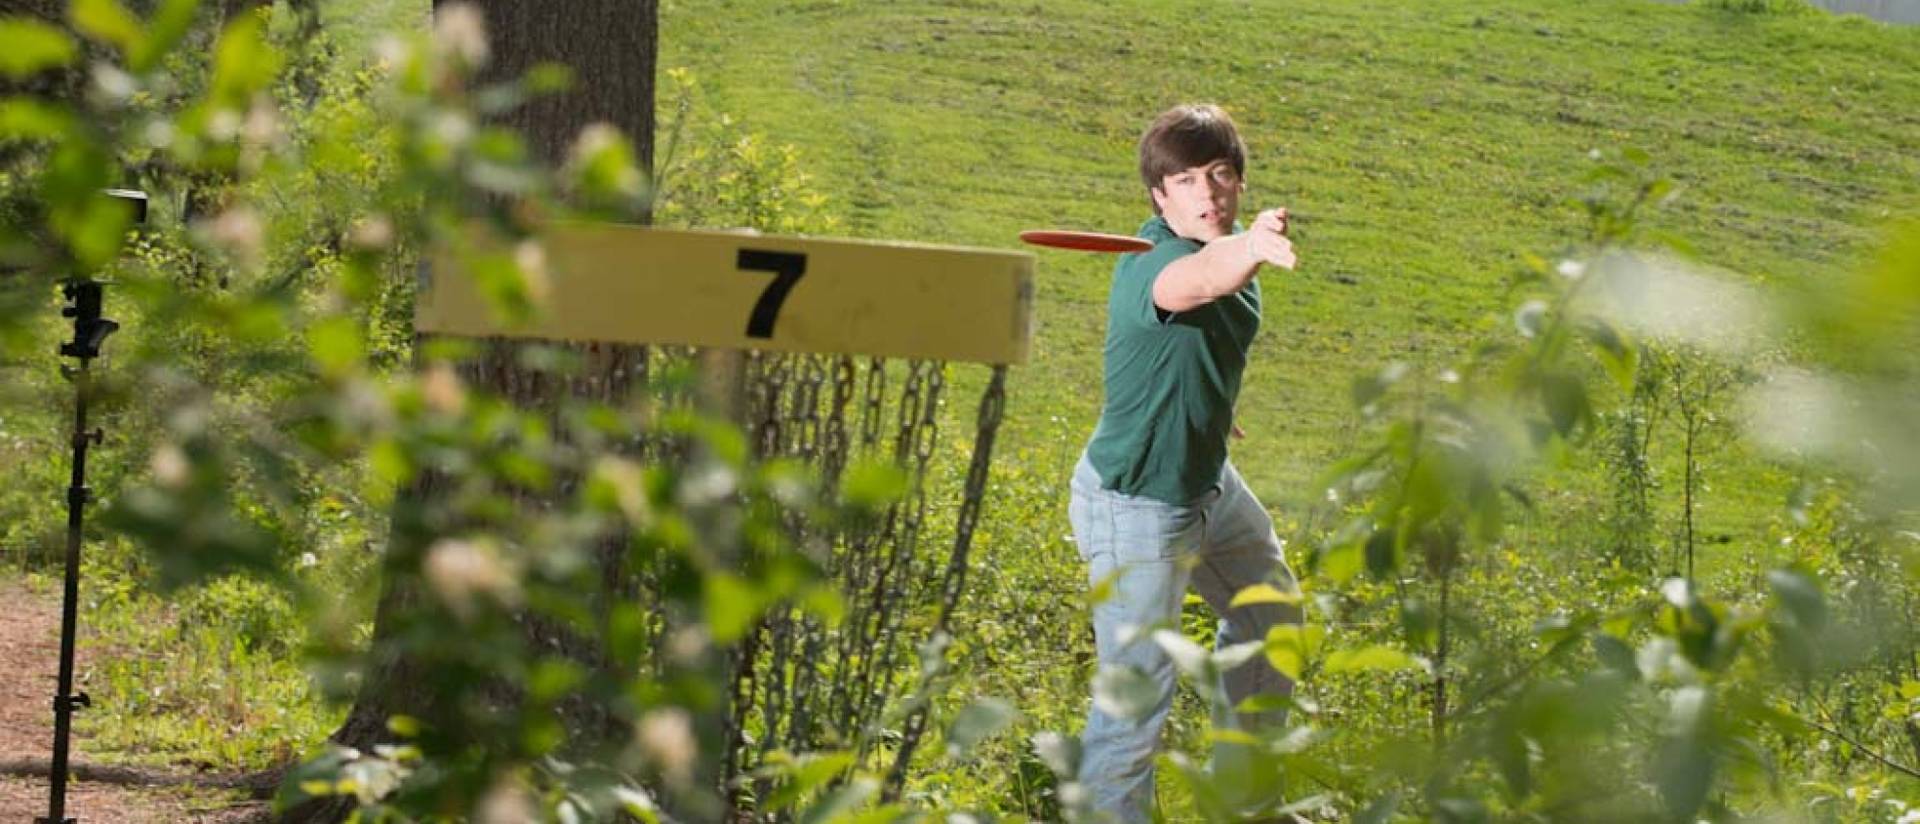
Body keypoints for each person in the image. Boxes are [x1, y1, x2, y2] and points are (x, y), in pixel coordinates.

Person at [1068, 103, 1304, 821]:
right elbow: (1199, 283)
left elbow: (1207, 327)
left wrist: (1209, 411)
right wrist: (1254, 247)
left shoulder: (1220, 245)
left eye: (1219, 174)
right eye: (1184, 180)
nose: (1206, 193)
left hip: (1205, 485)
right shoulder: (1160, 266)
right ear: (1158, 197)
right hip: (1138, 503)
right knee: (1135, 702)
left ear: (1237, 182)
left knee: (1273, 617)